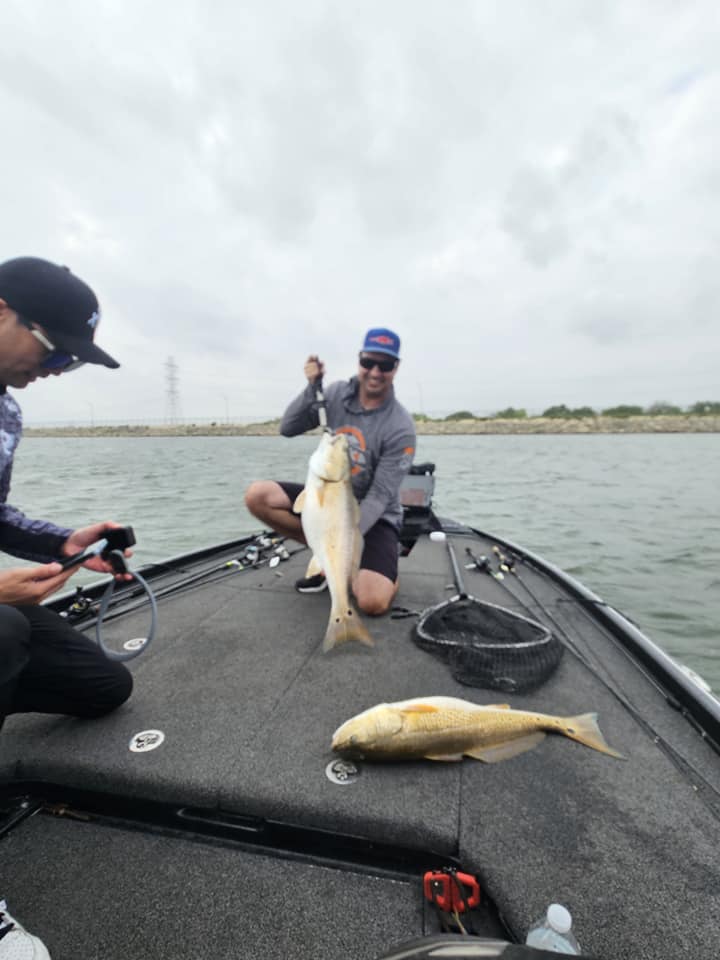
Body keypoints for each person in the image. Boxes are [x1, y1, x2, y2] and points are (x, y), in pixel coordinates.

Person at [0, 256, 132, 959]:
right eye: (56, 353)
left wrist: (65, 540)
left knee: (104, 685)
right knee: (4, 632)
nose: (58, 373)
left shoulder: (7, 409)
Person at [245, 328, 415, 615]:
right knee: (258, 496)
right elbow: (288, 428)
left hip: (375, 514)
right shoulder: (334, 394)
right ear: (359, 360)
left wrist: (347, 542)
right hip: (327, 496)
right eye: (368, 362)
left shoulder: (401, 428)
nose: (375, 372)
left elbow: (380, 495)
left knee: (372, 602)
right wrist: (313, 387)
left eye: (384, 365)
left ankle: (381, 568)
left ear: (395, 368)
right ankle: (325, 556)